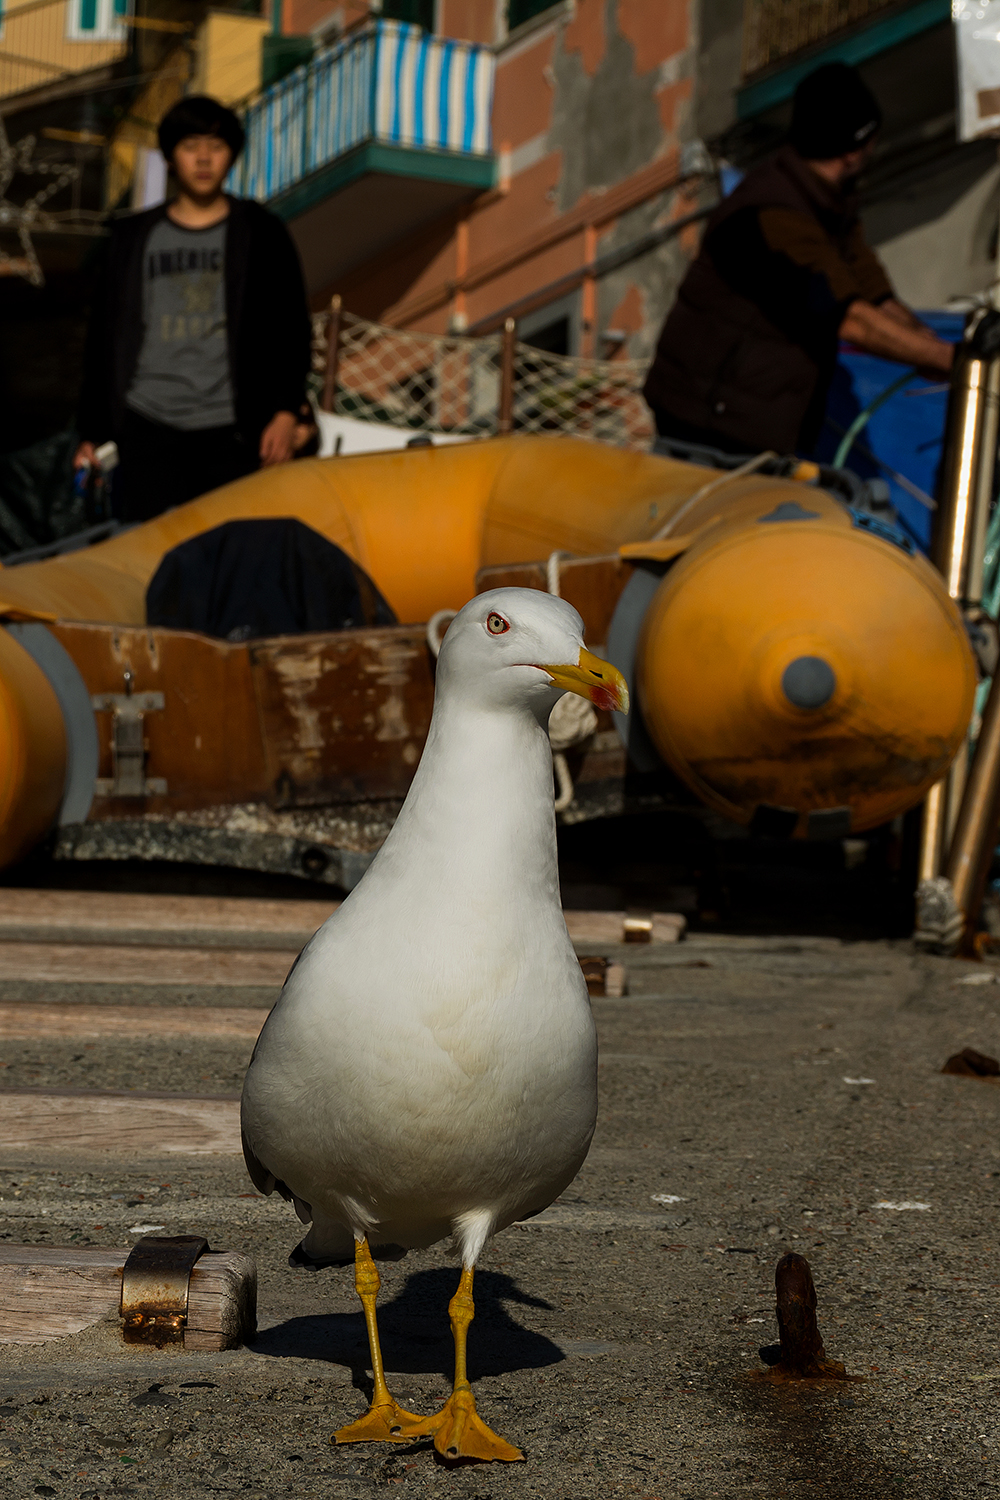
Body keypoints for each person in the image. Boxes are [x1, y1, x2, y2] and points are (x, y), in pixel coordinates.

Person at [643, 63, 955, 460]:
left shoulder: (830, 204)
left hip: (758, 433)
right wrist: (951, 360)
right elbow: (848, 317)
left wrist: (935, 349)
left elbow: (874, 298)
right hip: (706, 431)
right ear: (854, 149)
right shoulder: (772, 215)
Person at [76, 95, 312, 522]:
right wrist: (92, 432)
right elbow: (103, 338)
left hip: (234, 430)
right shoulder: (131, 238)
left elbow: (291, 327)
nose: (203, 159)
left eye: (216, 146)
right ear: (169, 157)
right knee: (147, 562)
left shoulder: (261, 232)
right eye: (190, 146)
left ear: (232, 156)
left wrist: (284, 411)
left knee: (232, 558)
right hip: (146, 423)